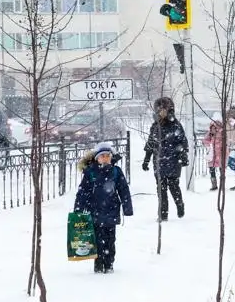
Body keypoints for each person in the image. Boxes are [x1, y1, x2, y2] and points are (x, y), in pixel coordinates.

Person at [73, 142, 133, 274]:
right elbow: (83, 192)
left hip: (112, 211)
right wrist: (78, 208)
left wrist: (127, 207)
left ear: (111, 157)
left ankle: (109, 263)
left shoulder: (116, 172)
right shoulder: (91, 173)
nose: (105, 158)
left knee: (111, 240)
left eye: (107, 156)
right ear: (97, 158)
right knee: (97, 241)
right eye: (102, 156)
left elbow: (124, 190)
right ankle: (98, 265)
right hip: (95, 212)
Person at [142, 97, 189, 220]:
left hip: (173, 160)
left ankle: (179, 204)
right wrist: (146, 159)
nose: (161, 112)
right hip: (159, 162)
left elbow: (182, 141)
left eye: (164, 109)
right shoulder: (155, 126)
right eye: (159, 110)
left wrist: (183, 154)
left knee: (173, 186)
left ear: (170, 110)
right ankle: (163, 214)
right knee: (161, 189)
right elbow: (151, 143)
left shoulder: (175, 125)